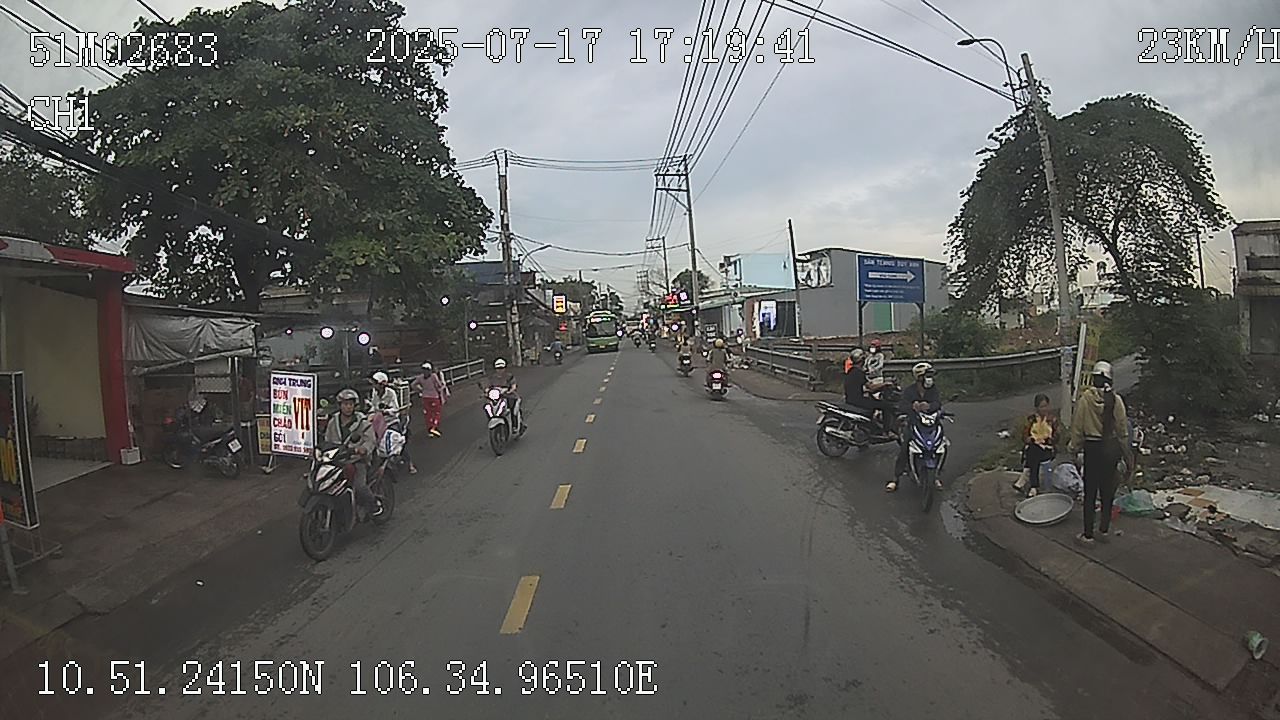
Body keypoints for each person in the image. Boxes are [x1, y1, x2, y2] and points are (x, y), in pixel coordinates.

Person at [1069, 360, 1130, 545]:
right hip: (1110, 449)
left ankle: (1088, 535)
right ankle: (1103, 530)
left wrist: (1073, 449)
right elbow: (1122, 430)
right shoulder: (1116, 400)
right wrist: (1126, 454)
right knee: (1107, 491)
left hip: (1092, 449)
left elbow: (1077, 429)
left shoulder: (1085, 400)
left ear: (1094, 379)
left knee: (1090, 493)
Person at [323, 388, 382, 517]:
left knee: (359, 487)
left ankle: (374, 504)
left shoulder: (362, 422)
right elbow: (327, 440)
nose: (348, 407)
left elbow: (370, 440)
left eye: (350, 404)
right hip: (337, 460)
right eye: (345, 404)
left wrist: (363, 449)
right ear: (340, 405)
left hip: (357, 460)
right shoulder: (333, 422)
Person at [889, 362, 942, 492]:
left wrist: (929, 406)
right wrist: (913, 406)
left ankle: (936, 475)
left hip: (932, 424)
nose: (930, 379)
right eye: (927, 376)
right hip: (914, 424)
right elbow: (902, 406)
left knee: (940, 446)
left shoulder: (933, 389)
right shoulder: (909, 391)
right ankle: (896, 478)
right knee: (905, 448)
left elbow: (938, 403)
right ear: (919, 377)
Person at [370, 371, 416, 474]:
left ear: (382, 384)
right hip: (378, 422)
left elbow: (395, 409)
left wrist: (386, 411)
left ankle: (410, 463)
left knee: (397, 442)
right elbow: (374, 406)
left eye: (376, 383)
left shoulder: (391, 393)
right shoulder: (374, 392)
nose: (374, 386)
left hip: (391, 421)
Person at [1016, 393, 1062, 498]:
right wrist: (1031, 439)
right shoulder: (1031, 419)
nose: (1044, 409)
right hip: (1034, 447)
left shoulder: (1052, 420)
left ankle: (1029, 481)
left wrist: (1047, 440)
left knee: (1033, 453)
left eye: (1045, 406)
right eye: (1041, 407)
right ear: (1036, 408)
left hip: (1047, 448)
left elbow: (1057, 437)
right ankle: (1033, 485)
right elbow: (1024, 436)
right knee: (1033, 450)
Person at [843, 349, 894, 436]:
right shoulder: (859, 373)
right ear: (862, 360)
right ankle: (887, 431)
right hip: (858, 401)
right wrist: (885, 384)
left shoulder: (851, 371)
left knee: (872, 404)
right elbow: (871, 387)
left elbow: (860, 388)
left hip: (851, 399)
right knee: (886, 406)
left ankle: (869, 429)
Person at [411, 362, 449, 438]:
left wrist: (420, 390)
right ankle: (434, 427)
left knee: (428, 414)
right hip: (434, 397)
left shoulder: (420, 377)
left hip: (425, 397)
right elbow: (439, 385)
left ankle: (430, 428)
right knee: (437, 413)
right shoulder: (433, 376)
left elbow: (412, 385)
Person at [487, 358, 525, 432]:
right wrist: (487, 391)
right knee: (489, 406)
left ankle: (514, 425)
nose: (500, 370)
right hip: (497, 397)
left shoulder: (509, 376)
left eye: (501, 368)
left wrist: (510, 390)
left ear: (504, 368)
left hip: (510, 396)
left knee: (512, 409)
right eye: (498, 368)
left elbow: (513, 385)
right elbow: (489, 387)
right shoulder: (493, 377)